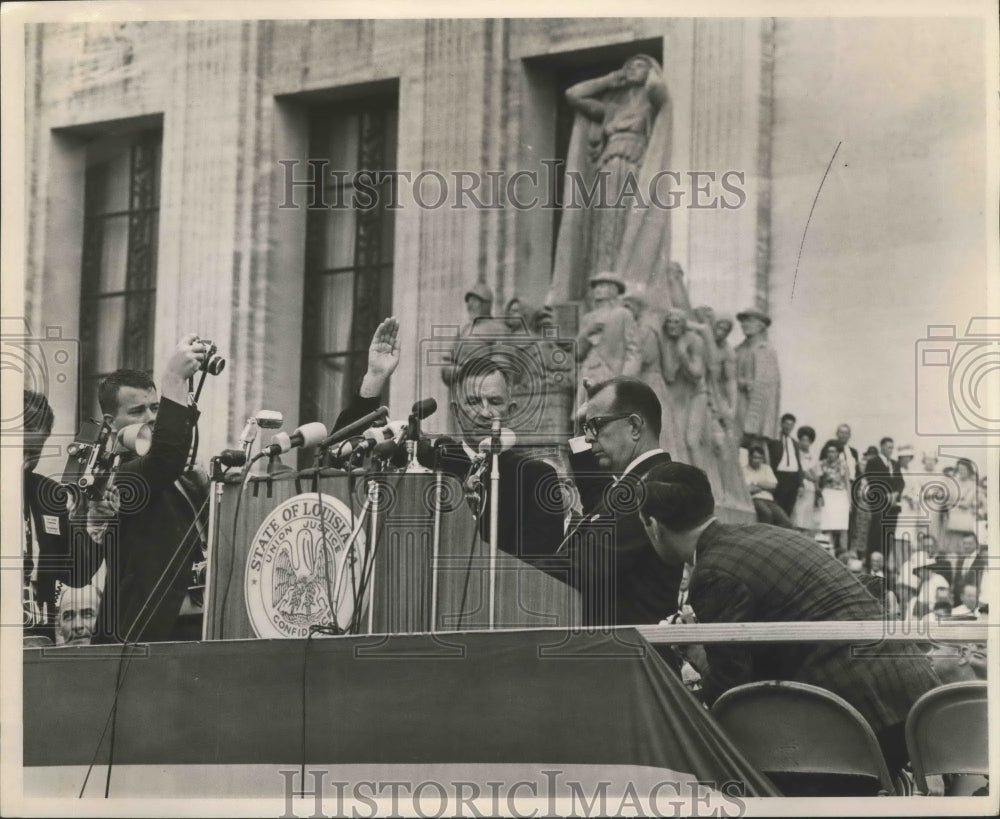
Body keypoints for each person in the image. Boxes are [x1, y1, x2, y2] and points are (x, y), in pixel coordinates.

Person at [639, 462, 941, 783]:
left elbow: (732, 696)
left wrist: (693, 648)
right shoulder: (768, 533)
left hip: (861, 715)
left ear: (654, 526)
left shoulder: (712, 571)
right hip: (916, 698)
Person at [90, 335, 210, 644]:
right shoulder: (113, 474)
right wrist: (173, 380)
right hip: (145, 637)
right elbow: (164, 460)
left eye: (156, 407)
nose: (152, 417)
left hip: (200, 627)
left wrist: (208, 494)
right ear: (110, 421)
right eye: (138, 410)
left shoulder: (179, 476)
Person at [560, 376, 683, 627]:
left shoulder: (648, 489)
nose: (590, 437)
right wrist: (581, 430)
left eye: (597, 425)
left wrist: (504, 565)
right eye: (588, 428)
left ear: (635, 427)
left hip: (627, 656)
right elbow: (599, 500)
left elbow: (582, 567)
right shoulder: (638, 482)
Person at [549, 54, 669, 303]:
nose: (632, 69)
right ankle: (598, 288)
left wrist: (650, 72)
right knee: (602, 228)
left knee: (626, 224)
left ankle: (618, 286)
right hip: (607, 168)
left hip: (632, 167)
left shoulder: (650, 105)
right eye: (629, 65)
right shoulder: (611, 109)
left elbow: (659, 91)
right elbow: (574, 94)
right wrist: (611, 78)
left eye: (639, 65)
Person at [22, 390, 76, 642]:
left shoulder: (51, 494)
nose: (23, 462)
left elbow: (73, 572)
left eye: (33, 453)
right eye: (19, 450)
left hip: (39, 633)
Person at [574, 274, 641, 408]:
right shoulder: (588, 318)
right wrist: (586, 332)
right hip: (589, 373)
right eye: (596, 286)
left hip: (613, 373)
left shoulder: (623, 314)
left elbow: (634, 351)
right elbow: (578, 354)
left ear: (613, 289)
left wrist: (625, 379)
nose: (598, 289)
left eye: (603, 286)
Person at [733, 307, 780, 444]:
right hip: (737, 404)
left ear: (760, 326)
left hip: (755, 408)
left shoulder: (766, 351)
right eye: (743, 321)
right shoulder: (737, 350)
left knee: (755, 447)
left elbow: (767, 388)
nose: (744, 324)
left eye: (749, 321)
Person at [864, 437, 904, 561]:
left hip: (893, 505)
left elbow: (900, 481)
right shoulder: (873, 462)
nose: (890, 450)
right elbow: (873, 480)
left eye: (892, 447)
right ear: (881, 447)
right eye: (888, 447)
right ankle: (872, 561)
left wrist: (896, 493)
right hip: (880, 503)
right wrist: (886, 494)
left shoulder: (895, 463)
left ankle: (884, 561)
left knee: (889, 533)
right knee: (877, 531)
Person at [742, 444, 793, 528]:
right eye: (755, 457)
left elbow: (773, 486)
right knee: (767, 513)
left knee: (786, 522)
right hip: (756, 499)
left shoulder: (766, 468)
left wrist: (756, 483)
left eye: (760, 458)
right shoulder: (744, 470)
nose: (758, 460)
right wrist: (765, 485)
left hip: (770, 500)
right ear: (749, 457)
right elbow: (749, 489)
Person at [816, 442, 851, 552]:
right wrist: (819, 497)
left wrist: (849, 501)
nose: (831, 454)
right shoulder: (821, 464)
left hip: (841, 495)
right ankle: (829, 552)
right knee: (828, 526)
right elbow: (818, 483)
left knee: (842, 527)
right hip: (827, 494)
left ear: (838, 453)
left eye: (834, 451)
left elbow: (847, 482)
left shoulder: (844, 464)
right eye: (829, 451)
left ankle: (843, 555)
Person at [766, 412, 802, 517]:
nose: (788, 427)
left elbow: (798, 463)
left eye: (791, 425)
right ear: (781, 424)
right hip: (780, 476)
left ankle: (783, 531)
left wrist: (801, 483)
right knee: (778, 506)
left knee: (789, 508)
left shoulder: (794, 442)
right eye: (786, 424)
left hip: (793, 477)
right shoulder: (774, 440)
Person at [791, 425, 819, 532]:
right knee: (796, 516)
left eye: (807, 440)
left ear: (811, 441)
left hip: (810, 489)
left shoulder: (814, 456)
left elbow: (816, 475)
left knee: (806, 520)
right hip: (799, 487)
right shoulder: (796, 453)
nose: (804, 442)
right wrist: (805, 474)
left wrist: (816, 485)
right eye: (802, 439)